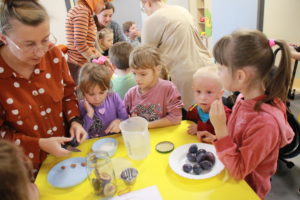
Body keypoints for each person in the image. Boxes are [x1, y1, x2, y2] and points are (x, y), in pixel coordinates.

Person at [0, 0, 87, 171]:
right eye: (29, 44)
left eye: (45, 39)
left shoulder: (54, 55)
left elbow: (68, 95)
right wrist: (38, 144)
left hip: (66, 155)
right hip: (25, 166)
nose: (40, 51)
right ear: (4, 39)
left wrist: (75, 121)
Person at [209, 30, 295, 199]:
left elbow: (239, 170)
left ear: (240, 76)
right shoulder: (243, 97)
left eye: (220, 68)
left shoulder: (265, 124)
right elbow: (237, 137)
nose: (217, 73)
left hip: (248, 190)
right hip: (229, 176)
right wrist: (217, 136)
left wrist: (220, 130)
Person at [141, 0, 213, 109]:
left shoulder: (152, 19)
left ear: (148, 3)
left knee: (190, 116)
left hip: (183, 74)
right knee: (209, 112)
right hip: (206, 67)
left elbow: (145, 57)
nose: (145, 12)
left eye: (143, 8)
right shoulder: (182, 10)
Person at [124, 45, 183, 128]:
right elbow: (122, 117)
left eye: (143, 74)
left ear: (158, 69)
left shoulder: (168, 88)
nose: (137, 79)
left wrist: (147, 125)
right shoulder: (130, 94)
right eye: (134, 73)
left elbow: (175, 118)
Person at [78, 58, 128, 138]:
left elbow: (126, 120)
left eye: (102, 92)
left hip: (115, 141)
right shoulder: (81, 105)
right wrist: (89, 114)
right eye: (91, 94)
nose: (97, 98)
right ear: (83, 91)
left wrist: (120, 123)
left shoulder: (114, 97)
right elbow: (81, 134)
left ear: (107, 88)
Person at [186, 65, 231, 143]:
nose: (203, 97)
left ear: (220, 94)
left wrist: (200, 127)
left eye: (209, 92)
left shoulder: (226, 115)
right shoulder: (192, 110)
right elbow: (187, 126)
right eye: (198, 91)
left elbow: (228, 136)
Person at [65, 0, 106, 83]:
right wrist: (95, 61)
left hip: (80, 64)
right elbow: (80, 44)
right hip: (79, 65)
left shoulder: (83, 10)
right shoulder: (82, 11)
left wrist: (100, 57)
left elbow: (87, 43)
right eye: (103, 1)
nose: (104, 6)